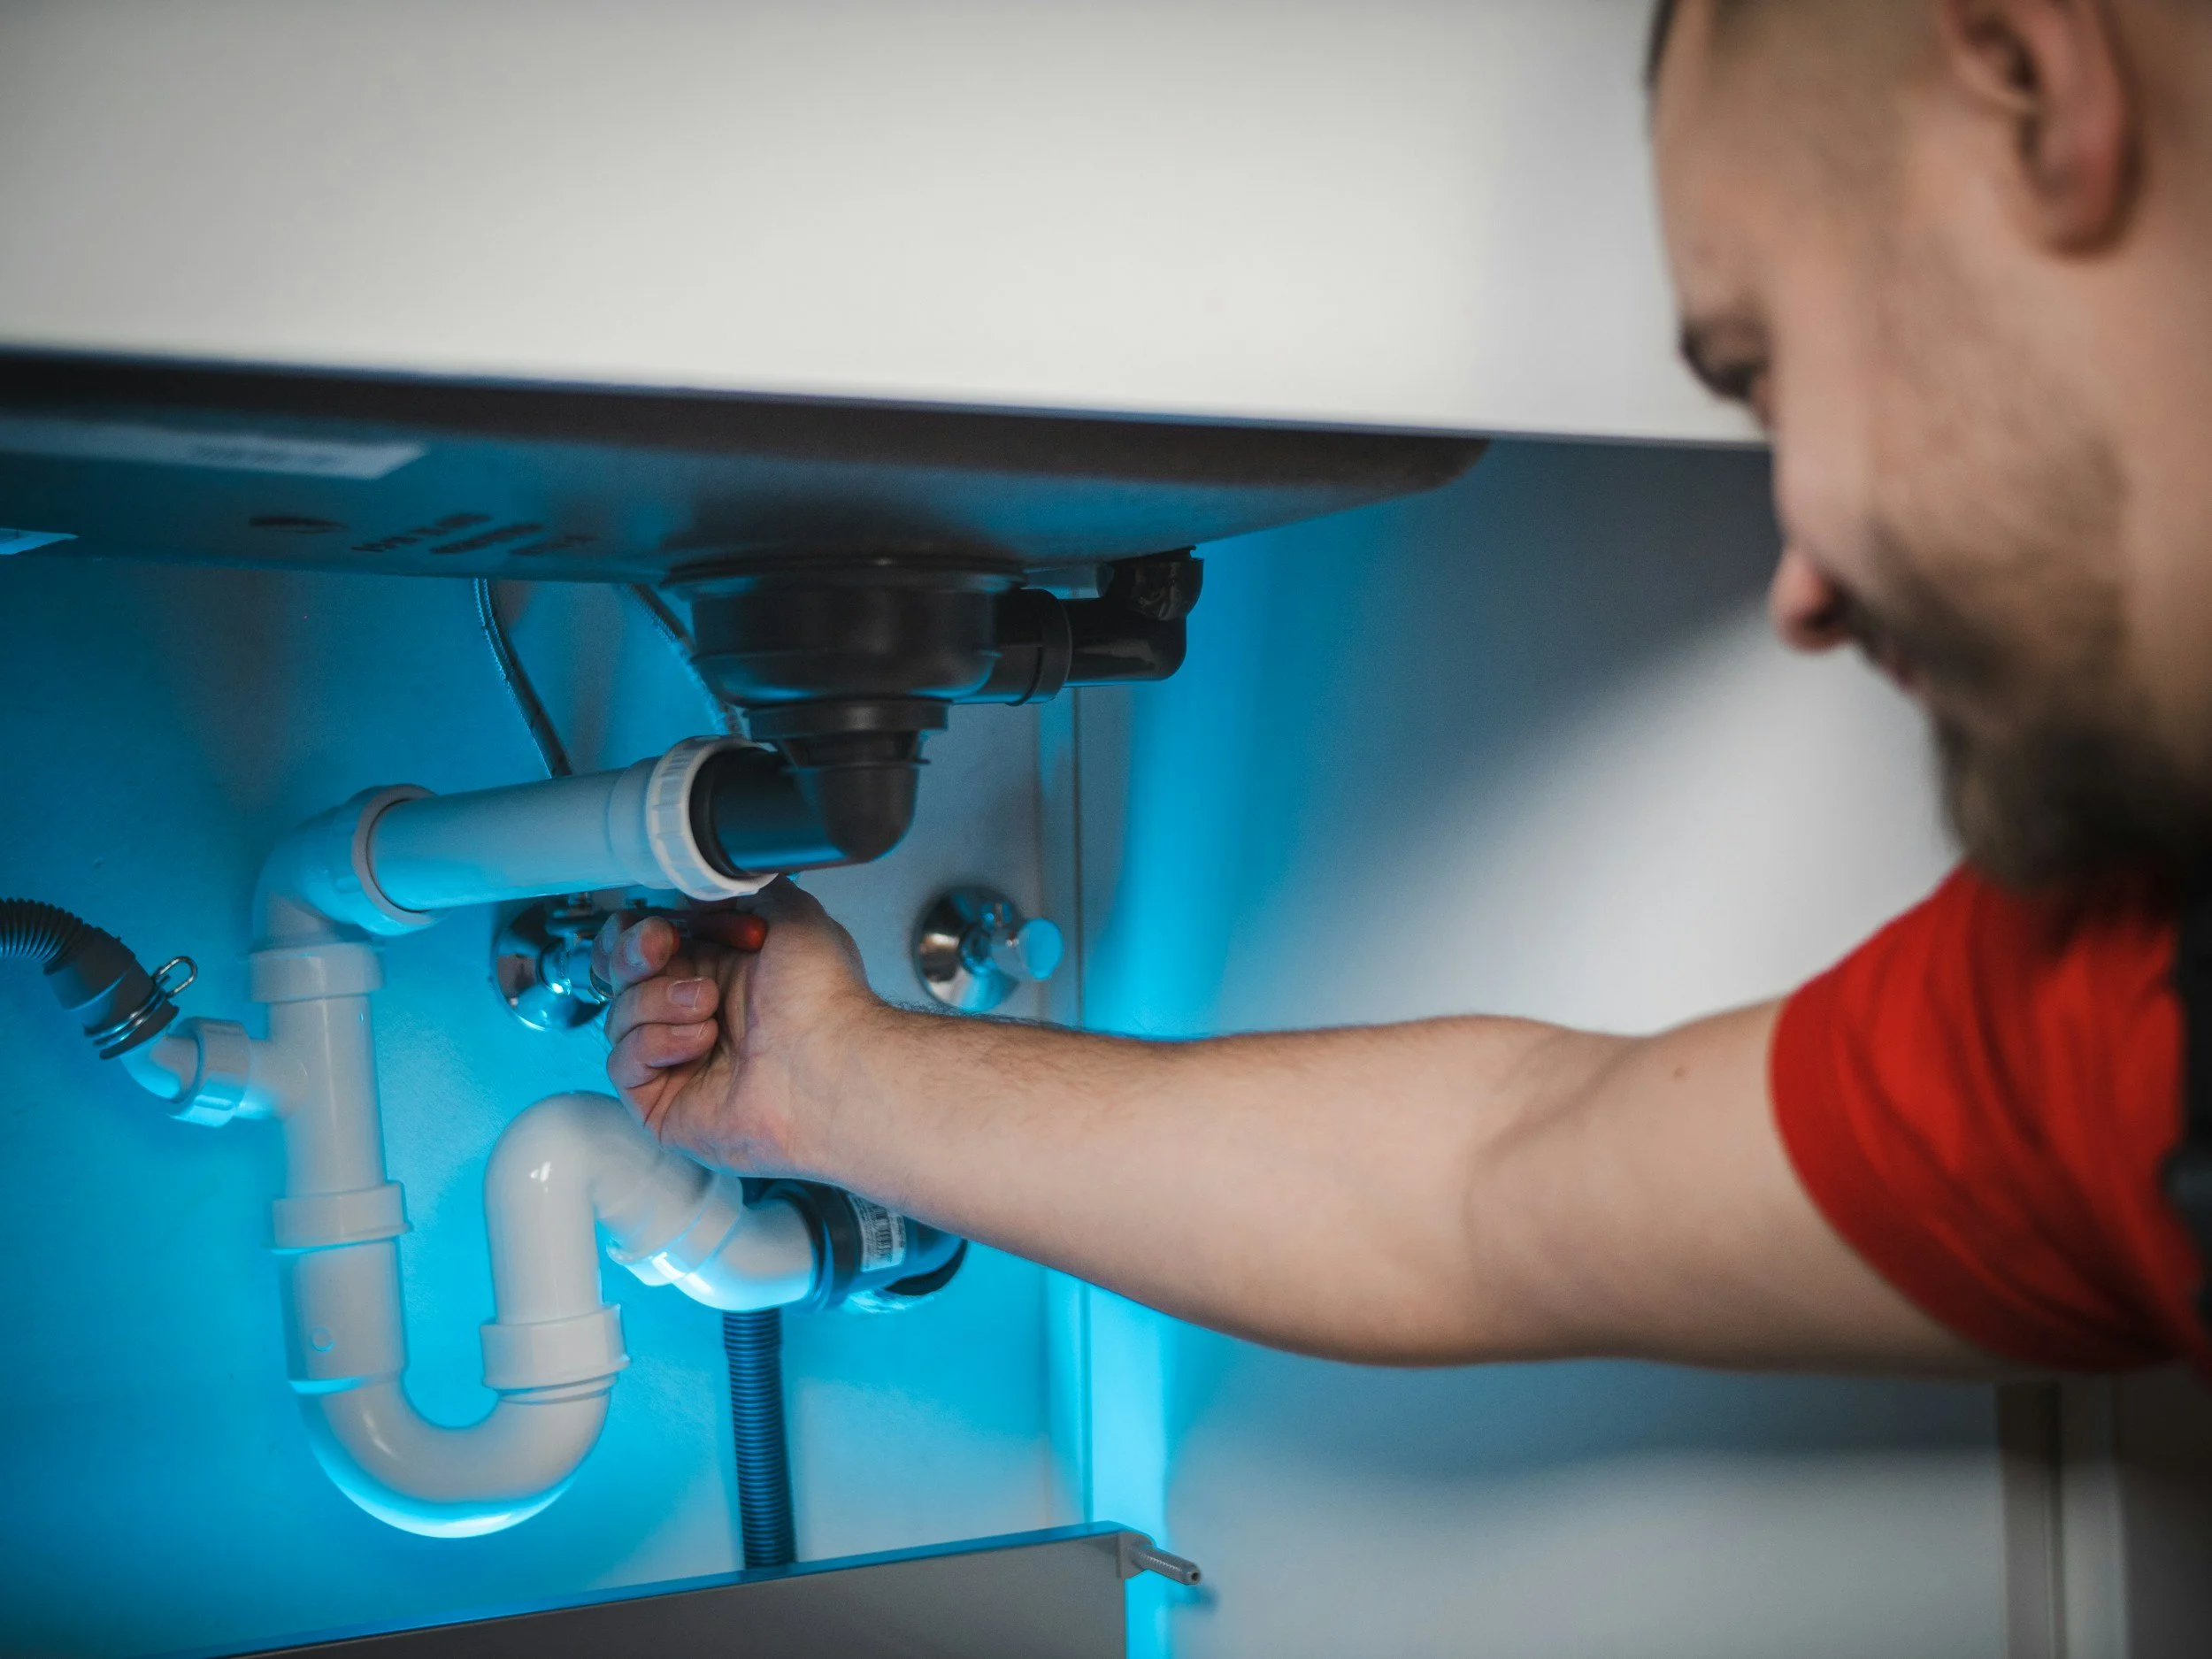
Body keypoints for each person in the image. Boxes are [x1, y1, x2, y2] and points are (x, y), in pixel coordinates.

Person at [594, 0, 2212, 1380]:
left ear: (2021, 78)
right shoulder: (2119, 1024)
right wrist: (833, 1082)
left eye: (1775, 360)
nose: (1807, 588)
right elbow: (1488, 1189)